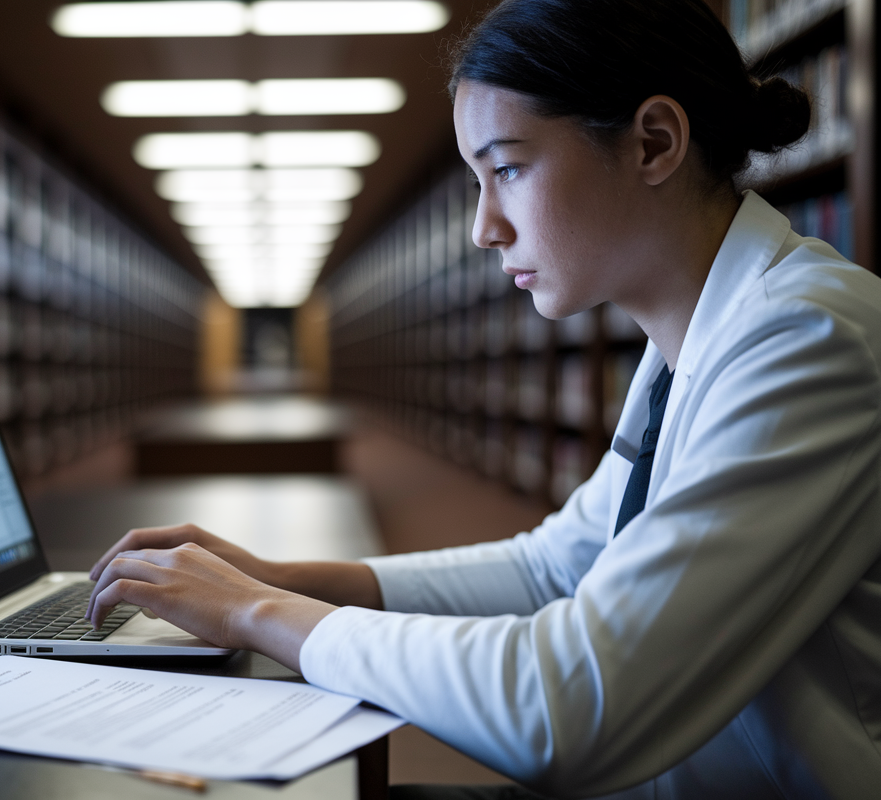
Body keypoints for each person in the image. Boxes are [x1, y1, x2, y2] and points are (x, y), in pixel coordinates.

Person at [84, 0, 881, 796]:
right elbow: (559, 567)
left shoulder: (806, 341)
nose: (483, 228)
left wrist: (257, 614)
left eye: (506, 168)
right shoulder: (693, 342)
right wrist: (288, 579)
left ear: (654, 143)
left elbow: (566, 713)